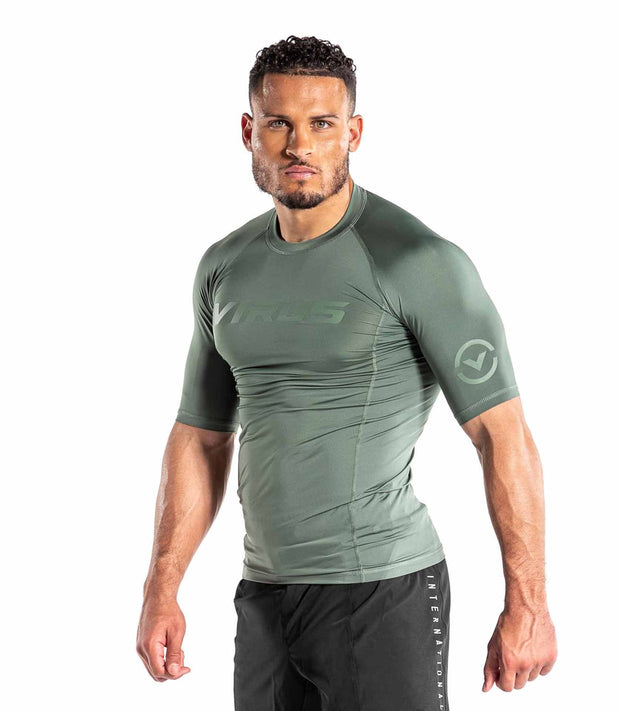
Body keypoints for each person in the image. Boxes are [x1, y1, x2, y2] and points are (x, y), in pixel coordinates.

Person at [136, 35, 557, 710]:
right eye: (279, 123)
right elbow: (201, 436)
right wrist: (162, 587)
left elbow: (502, 434)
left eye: (322, 124)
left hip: (381, 593)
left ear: (353, 133)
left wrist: (528, 605)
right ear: (248, 132)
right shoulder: (225, 266)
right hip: (264, 596)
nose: (299, 145)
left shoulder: (416, 260)